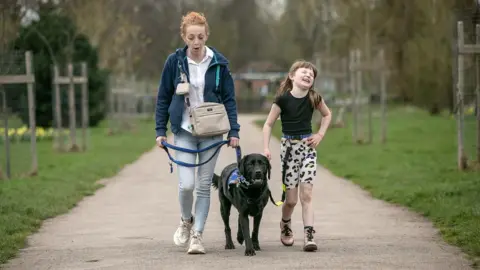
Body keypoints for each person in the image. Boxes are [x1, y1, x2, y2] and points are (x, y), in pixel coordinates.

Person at [155, 11, 240, 255]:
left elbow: (229, 99)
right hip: (184, 130)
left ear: (206, 36)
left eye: (200, 37)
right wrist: (160, 130)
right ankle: (185, 220)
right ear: (184, 36)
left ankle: (197, 236)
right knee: (186, 185)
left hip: (212, 133)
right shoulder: (174, 62)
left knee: (203, 186)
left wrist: (234, 130)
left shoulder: (219, 63)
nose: (196, 42)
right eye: (191, 37)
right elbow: (162, 97)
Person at [262, 60, 332, 252]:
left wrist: (320, 134)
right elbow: (268, 124)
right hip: (289, 151)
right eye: (305, 71)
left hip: (308, 149)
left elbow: (327, 115)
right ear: (292, 76)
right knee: (291, 200)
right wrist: (266, 147)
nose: (309, 75)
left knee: (307, 195)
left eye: (312, 74)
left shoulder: (314, 98)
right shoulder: (282, 99)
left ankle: (309, 235)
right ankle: (285, 223)